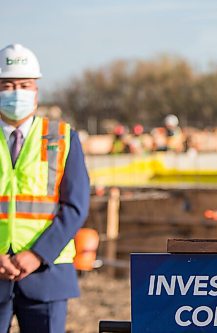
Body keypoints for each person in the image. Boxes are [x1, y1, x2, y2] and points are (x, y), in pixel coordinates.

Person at [0, 44, 90, 332]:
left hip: (47, 274)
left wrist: (36, 254)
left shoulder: (63, 138)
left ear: (36, 90)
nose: (17, 92)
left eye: (24, 84)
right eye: (8, 85)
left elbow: (75, 206)